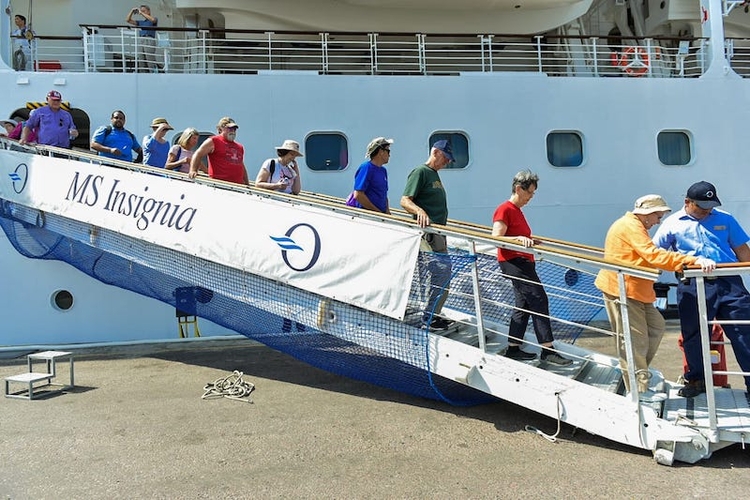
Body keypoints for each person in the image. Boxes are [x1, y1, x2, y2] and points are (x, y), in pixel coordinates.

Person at [595, 194, 715, 400]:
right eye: (657, 216)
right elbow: (653, 255)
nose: (658, 221)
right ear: (647, 214)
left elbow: (649, 255)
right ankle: (638, 388)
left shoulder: (634, 225)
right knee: (635, 340)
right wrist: (692, 260)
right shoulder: (630, 226)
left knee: (656, 327)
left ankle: (635, 373)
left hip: (636, 290)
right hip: (623, 289)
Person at [653, 181, 750, 398]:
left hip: (729, 282)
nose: (708, 210)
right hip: (692, 284)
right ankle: (696, 380)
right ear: (688, 202)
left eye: (710, 206)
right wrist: (691, 261)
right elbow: (657, 255)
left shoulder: (725, 219)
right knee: (694, 334)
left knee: (745, 332)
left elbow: (743, 251)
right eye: (702, 206)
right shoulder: (672, 223)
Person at [491, 170, 572, 366]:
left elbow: (515, 236)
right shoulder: (505, 209)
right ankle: (547, 349)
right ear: (519, 189)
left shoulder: (516, 211)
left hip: (523, 261)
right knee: (538, 299)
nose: (531, 198)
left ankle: (513, 348)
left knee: (524, 304)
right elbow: (495, 238)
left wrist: (529, 240)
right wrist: (518, 239)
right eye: (529, 193)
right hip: (514, 262)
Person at [400, 139, 454, 331]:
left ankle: (434, 314)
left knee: (444, 272)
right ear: (436, 152)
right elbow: (405, 200)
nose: (447, 162)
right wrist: (420, 212)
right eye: (446, 157)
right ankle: (429, 317)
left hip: (439, 234)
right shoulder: (421, 172)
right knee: (441, 270)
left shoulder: (434, 175)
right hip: (428, 235)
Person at [189, 117, 249, 186]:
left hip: (237, 186)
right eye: (229, 129)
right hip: (219, 185)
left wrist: (247, 183)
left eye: (234, 129)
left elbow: (241, 165)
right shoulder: (213, 141)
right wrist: (193, 170)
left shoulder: (239, 147)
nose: (232, 131)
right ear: (221, 129)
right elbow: (198, 154)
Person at [346, 137, 393, 214]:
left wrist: (387, 211)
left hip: (381, 215)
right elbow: (358, 195)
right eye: (388, 151)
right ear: (381, 151)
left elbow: (383, 194)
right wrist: (377, 212)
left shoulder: (383, 170)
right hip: (368, 216)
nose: (389, 155)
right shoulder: (366, 168)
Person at [126, 5, 159, 71]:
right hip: (141, 40)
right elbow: (128, 20)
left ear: (149, 11)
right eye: (141, 11)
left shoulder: (154, 19)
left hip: (149, 39)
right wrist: (132, 11)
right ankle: (142, 76)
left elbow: (152, 20)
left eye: (144, 11)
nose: (142, 12)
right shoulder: (141, 22)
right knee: (141, 60)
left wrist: (141, 12)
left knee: (150, 60)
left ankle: (154, 75)